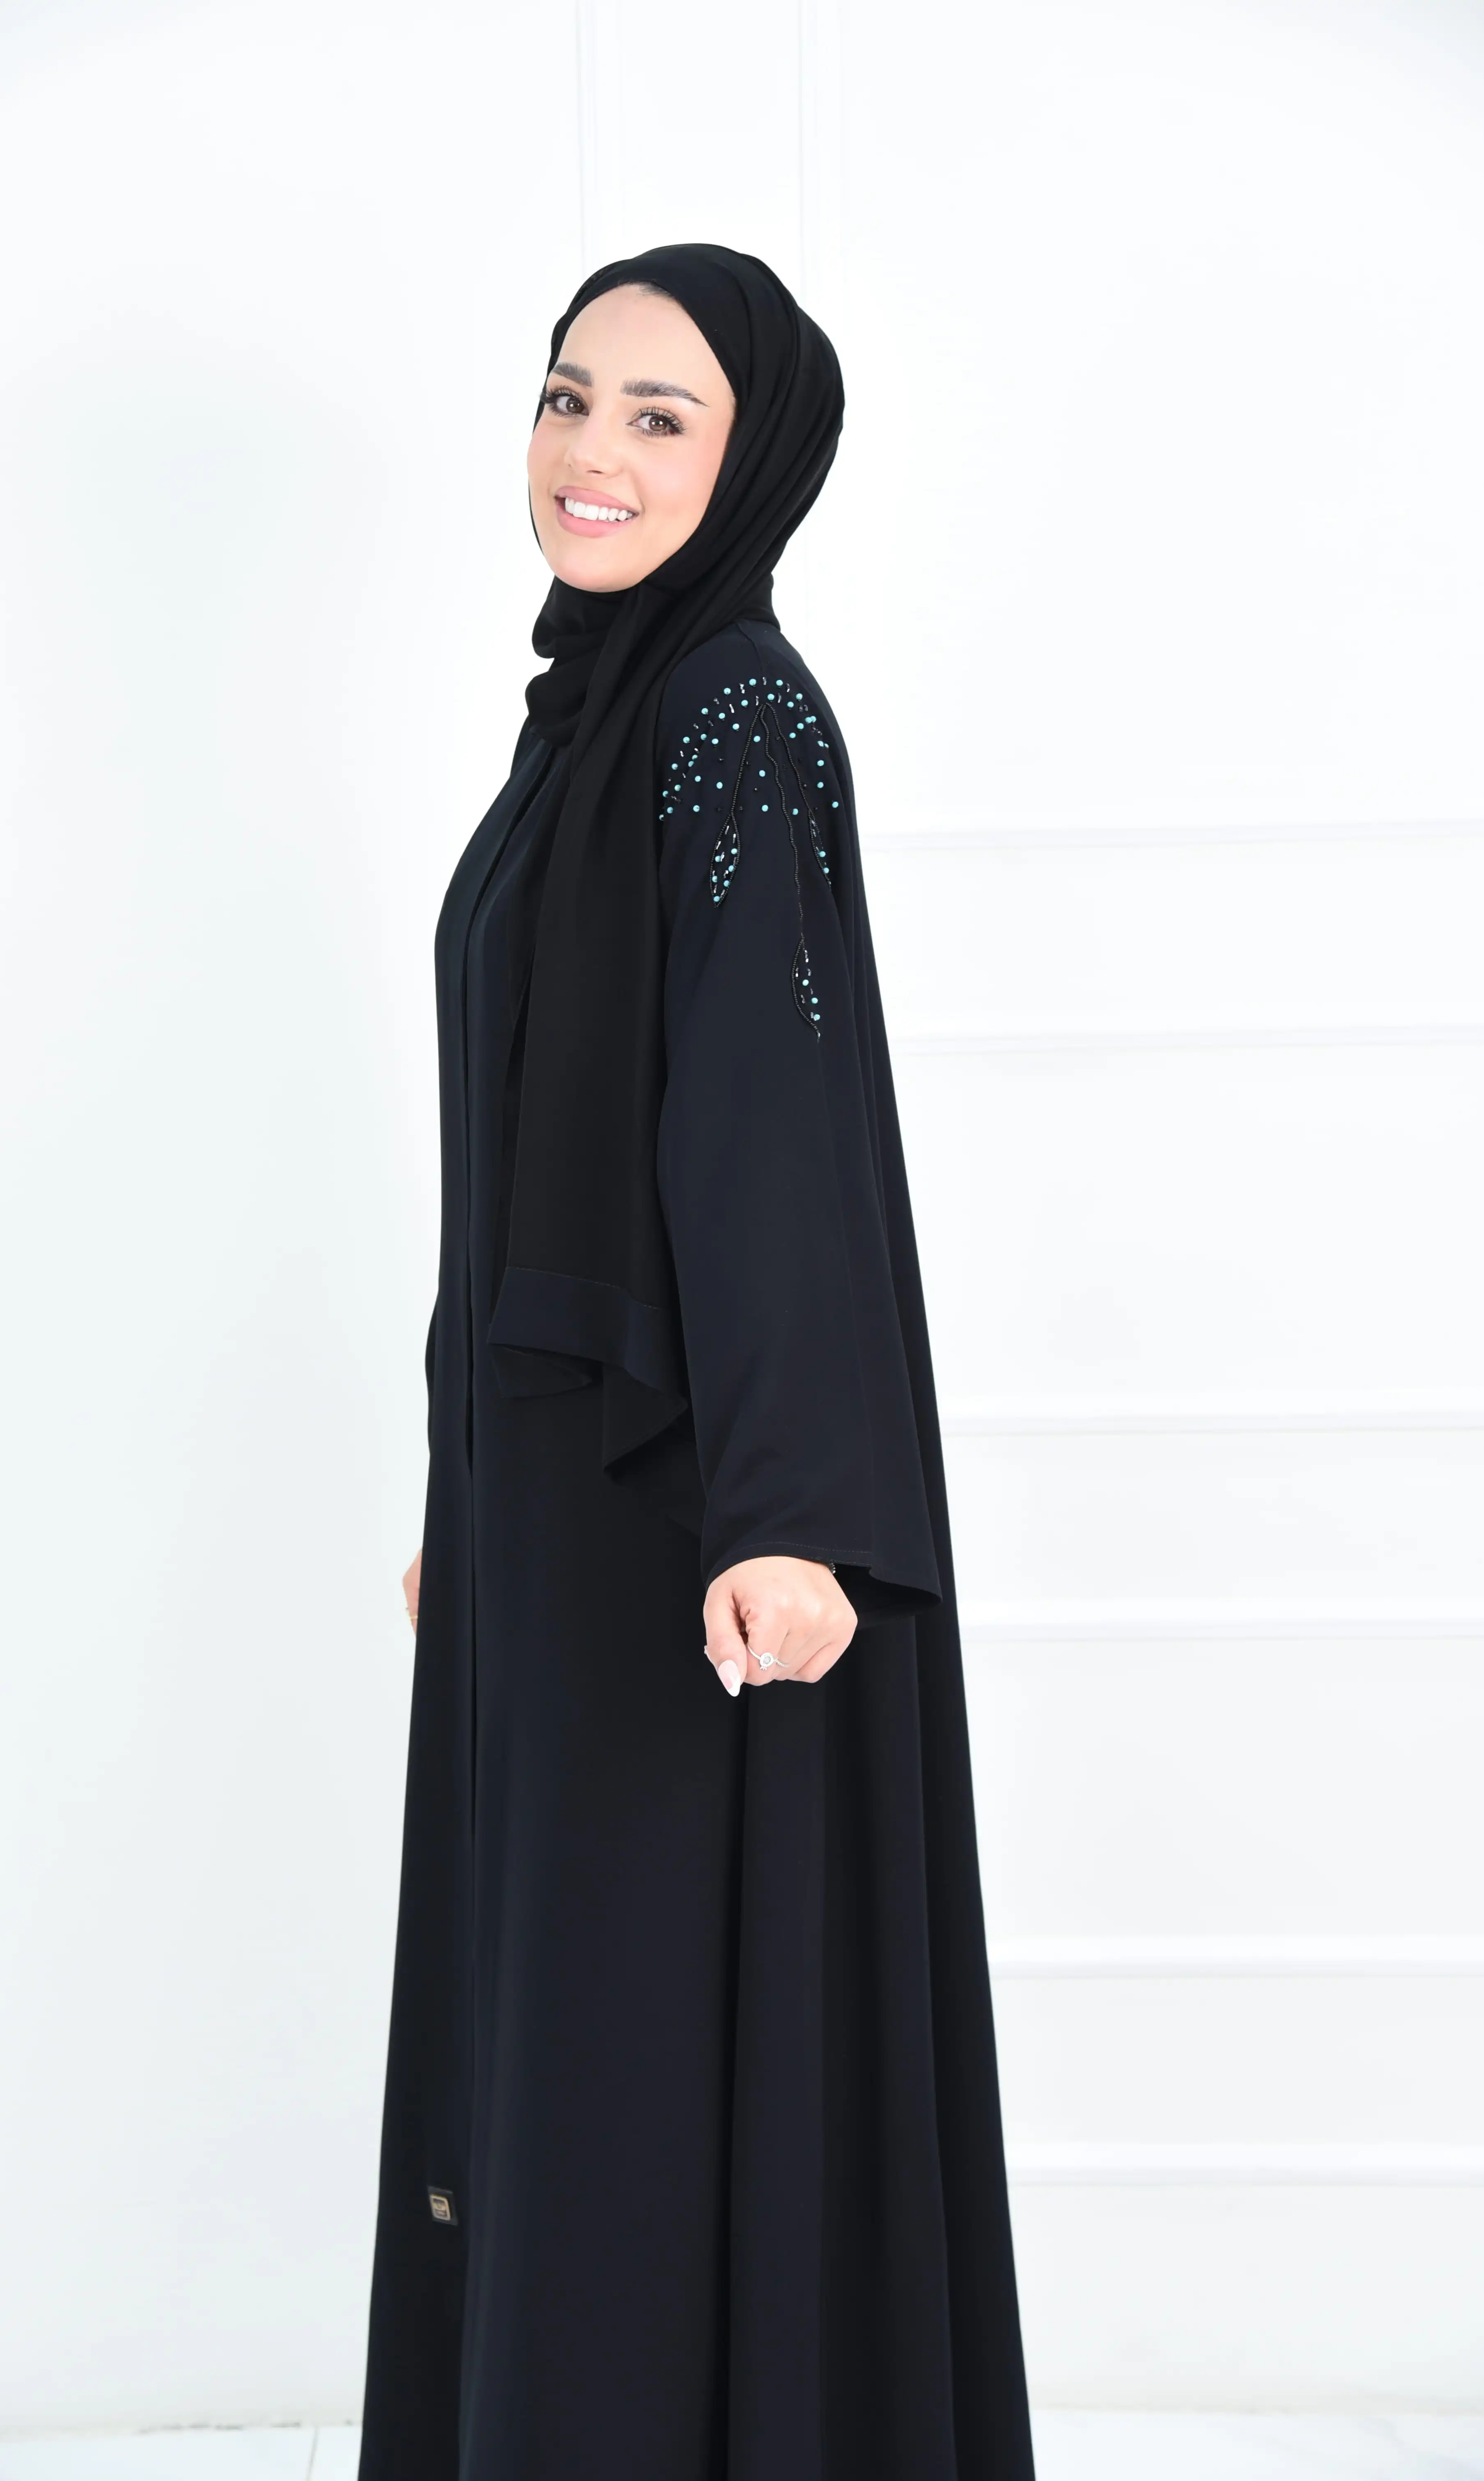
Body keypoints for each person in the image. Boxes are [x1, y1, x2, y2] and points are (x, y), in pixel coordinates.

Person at [356, 242, 1035, 2481]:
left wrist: (797, 1518)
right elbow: (520, 1153)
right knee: (549, 2038)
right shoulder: (590, 723)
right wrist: (464, 1500)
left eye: (662, 416)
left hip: (679, 1522)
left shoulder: (734, 711)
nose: (592, 452)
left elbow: (769, 1124)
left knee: (625, 2045)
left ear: (755, 466)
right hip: (547, 1510)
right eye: (570, 397)